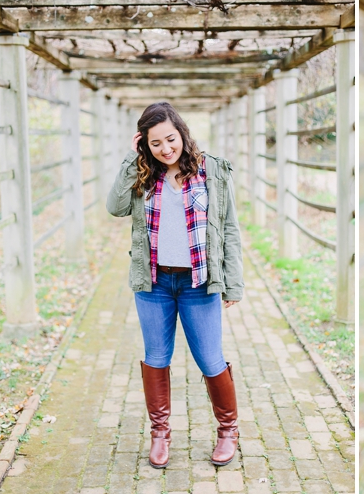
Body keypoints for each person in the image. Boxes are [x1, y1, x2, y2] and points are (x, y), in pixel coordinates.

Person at [107, 102, 244, 469]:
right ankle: (160, 434)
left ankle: (228, 431)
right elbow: (115, 207)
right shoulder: (142, 174)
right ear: (144, 145)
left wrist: (234, 282)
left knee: (210, 359)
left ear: (182, 133)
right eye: (154, 143)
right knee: (156, 358)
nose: (165, 149)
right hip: (153, 282)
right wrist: (128, 157)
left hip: (198, 282)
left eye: (171, 139)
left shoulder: (211, 170)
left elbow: (229, 227)